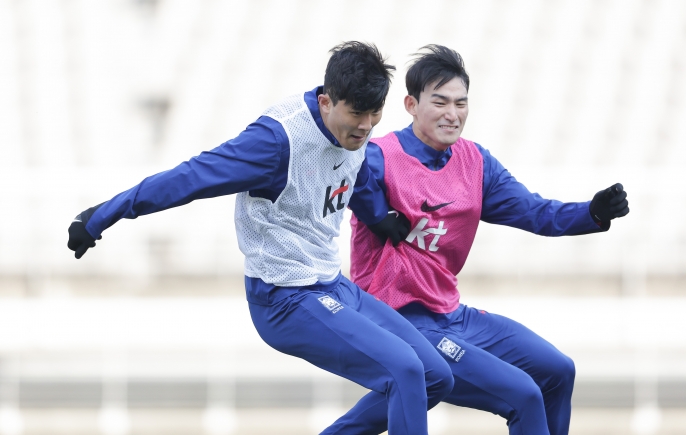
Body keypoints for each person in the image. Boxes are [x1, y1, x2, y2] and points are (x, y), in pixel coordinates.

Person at [67, 42, 454, 434]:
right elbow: (189, 178)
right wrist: (103, 216)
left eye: (375, 114)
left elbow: (355, 178)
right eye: (356, 114)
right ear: (326, 102)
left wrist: (379, 218)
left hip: (330, 283)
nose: (366, 125)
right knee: (404, 368)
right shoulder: (275, 143)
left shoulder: (357, 129)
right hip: (284, 297)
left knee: (435, 375)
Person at [350, 45, 630, 435]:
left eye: (461, 103)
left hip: (451, 315)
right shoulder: (376, 157)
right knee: (523, 395)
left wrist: (593, 212)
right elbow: (335, 177)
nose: (453, 114)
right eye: (441, 102)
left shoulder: (475, 163)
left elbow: (535, 211)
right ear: (411, 104)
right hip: (397, 320)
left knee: (558, 371)